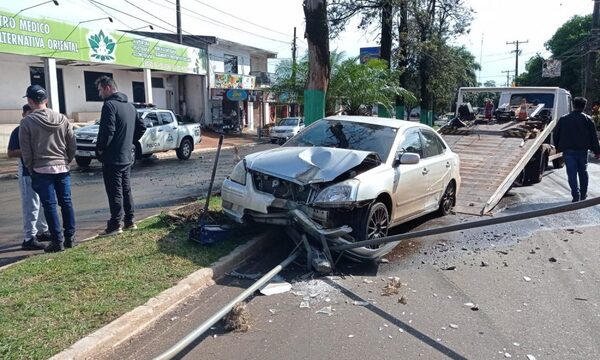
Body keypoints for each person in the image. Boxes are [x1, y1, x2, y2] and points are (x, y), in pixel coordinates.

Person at [20, 85, 76, 252]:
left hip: (41, 168)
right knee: (66, 202)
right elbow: (72, 143)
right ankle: (70, 237)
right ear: (46, 100)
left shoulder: (27, 122)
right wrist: (68, 160)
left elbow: (26, 151)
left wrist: (31, 168)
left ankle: (57, 241)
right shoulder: (62, 118)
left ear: (30, 101)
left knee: (49, 205)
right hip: (62, 167)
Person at [95, 76, 145, 236]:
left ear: (108, 88)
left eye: (100, 90)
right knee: (126, 190)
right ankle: (130, 221)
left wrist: (100, 149)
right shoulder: (130, 107)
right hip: (126, 156)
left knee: (115, 191)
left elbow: (107, 131)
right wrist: (129, 140)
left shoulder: (109, 106)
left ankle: (115, 224)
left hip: (113, 157)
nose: (99, 94)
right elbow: (141, 127)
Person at [7, 104, 51, 250]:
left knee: (45, 203)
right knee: (31, 205)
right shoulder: (18, 131)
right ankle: (29, 237)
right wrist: (28, 151)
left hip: (42, 170)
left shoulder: (38, 128)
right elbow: (11, 152)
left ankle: (42, 230)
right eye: (29, 113)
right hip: (27, 172)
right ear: (24, 114)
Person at [553, 96, 600, 202]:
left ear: (573, 105)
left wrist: (557, 147)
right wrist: (597, 151)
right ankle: (583, 194)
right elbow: (593, 137)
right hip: (582, 151)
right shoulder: (588, 119)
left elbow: (556, 134)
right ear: (584, 106)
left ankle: (575, 195)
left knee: (571, 173)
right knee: (583, 172)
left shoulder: (564, 119)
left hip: (568, 150)